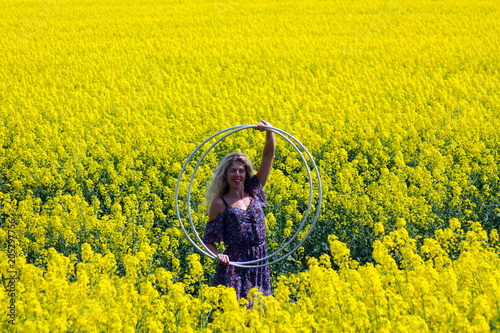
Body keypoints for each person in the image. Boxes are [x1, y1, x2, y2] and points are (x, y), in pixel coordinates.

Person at [203, 120, 275, 301]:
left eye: (241, 171)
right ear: (225, 175)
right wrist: (218, 255)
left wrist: (269, 133)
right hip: (235, 266)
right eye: (233, 171)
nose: (237, 175)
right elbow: (209, 241)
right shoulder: (220, 203)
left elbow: (267, 158)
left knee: (258, 315)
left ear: (246, 173)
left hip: (259, 261)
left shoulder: (254, 191)